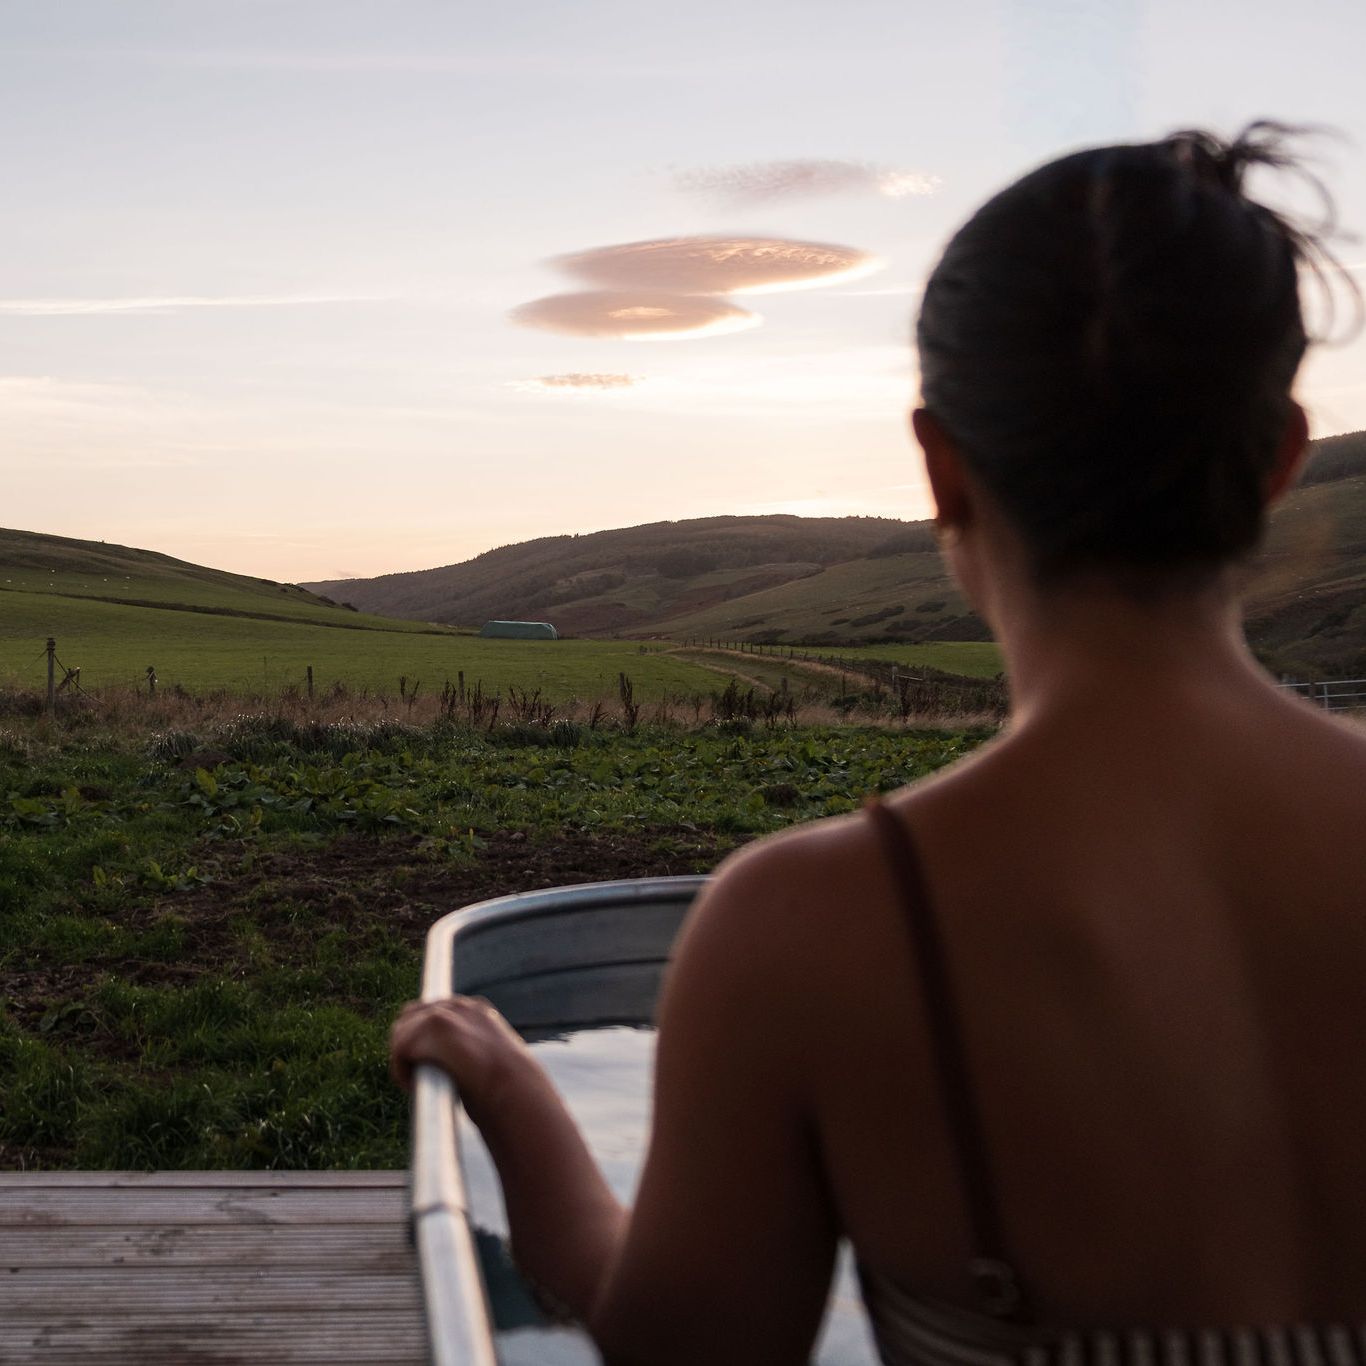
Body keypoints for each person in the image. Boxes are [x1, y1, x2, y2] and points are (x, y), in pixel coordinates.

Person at [390, 123, 1366, 1365]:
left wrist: (512, 1090)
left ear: (940, 468)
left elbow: (676, 1339)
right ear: (1282, 457)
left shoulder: (815, 926)